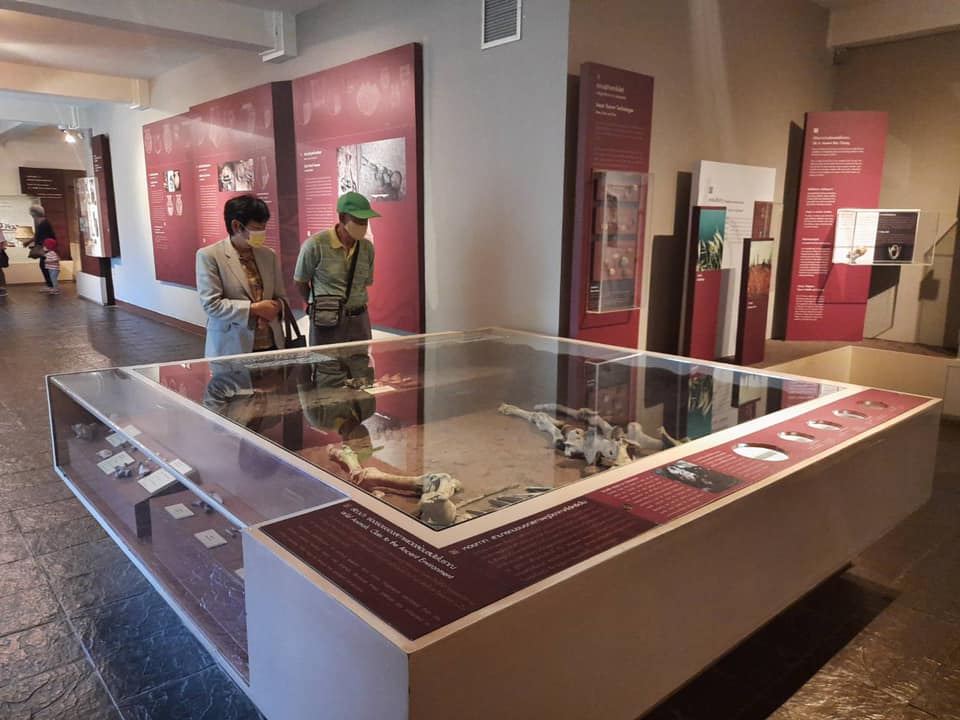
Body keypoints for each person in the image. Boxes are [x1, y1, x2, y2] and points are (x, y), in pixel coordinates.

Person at [196, 195, 286, 358]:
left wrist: (273, 309)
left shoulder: (268, 255)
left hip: (271, 344)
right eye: (257, 228)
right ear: (237, 226)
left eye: (264, 227)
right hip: (232, 346)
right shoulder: (210, 256)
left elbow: (281, 297)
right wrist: (254, 309)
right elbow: (212, 305)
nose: (262, 232)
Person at [294, 191, 378, 346]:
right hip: (327, 320)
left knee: (360, 360)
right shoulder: (315, 244)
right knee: (326, 360)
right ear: (342, 217)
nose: (362, 225)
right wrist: (318, 305)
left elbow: (365, 282)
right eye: (358, 219)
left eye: (365, 220)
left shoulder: (367, 248)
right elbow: (300, 281)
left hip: (359, 319)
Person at [26, 205, 55, 290]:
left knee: (45, 266)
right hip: (45, 248)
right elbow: (38, 235)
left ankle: (51, 286)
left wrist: (41, 248)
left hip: (46, 248)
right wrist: (29, 242)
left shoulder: (44, 223)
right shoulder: (41, 223)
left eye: (31, 212)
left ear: (34, 213)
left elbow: (45, 237)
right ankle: (50, 285)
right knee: (44, 265)